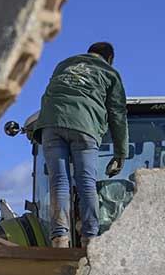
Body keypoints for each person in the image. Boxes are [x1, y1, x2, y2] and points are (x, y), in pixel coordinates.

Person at [32, 41, 128, 248]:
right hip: (85, 126)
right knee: (86, 183)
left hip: (51, 123)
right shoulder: (109, 72)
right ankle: (90, 238)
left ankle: (59, 238)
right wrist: (120, 153)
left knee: (59, 181)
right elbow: (117, 114)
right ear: (109, 59)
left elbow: (49, 94)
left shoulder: (64, 64)